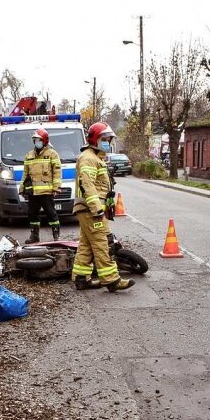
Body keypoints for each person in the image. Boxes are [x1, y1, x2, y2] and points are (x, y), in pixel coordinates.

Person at [71, 122, 134, 292]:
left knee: (86, 244)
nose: (108, 142)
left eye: (109, 139)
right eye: (104, 139)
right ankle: (112, 280)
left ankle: (81, 278)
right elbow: (88, 184)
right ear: (94, 139)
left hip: (86, 209)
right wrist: (97, 208)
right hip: (91, 209)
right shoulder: (89, 158)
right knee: (103, 243)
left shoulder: (95, 158)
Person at [20, 128, 62, 243]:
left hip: (47, 192)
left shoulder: (52, 154)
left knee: (51, 213)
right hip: (33, 192)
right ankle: (34, 235)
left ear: (45, 141)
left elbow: (57, 172)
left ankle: (56, 235)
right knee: (32, 214)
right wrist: (22, 188)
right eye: (35, 140)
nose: (37, 142)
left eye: (39, 140)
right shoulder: (29, 156)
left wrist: (56, 187)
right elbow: (25, 174)